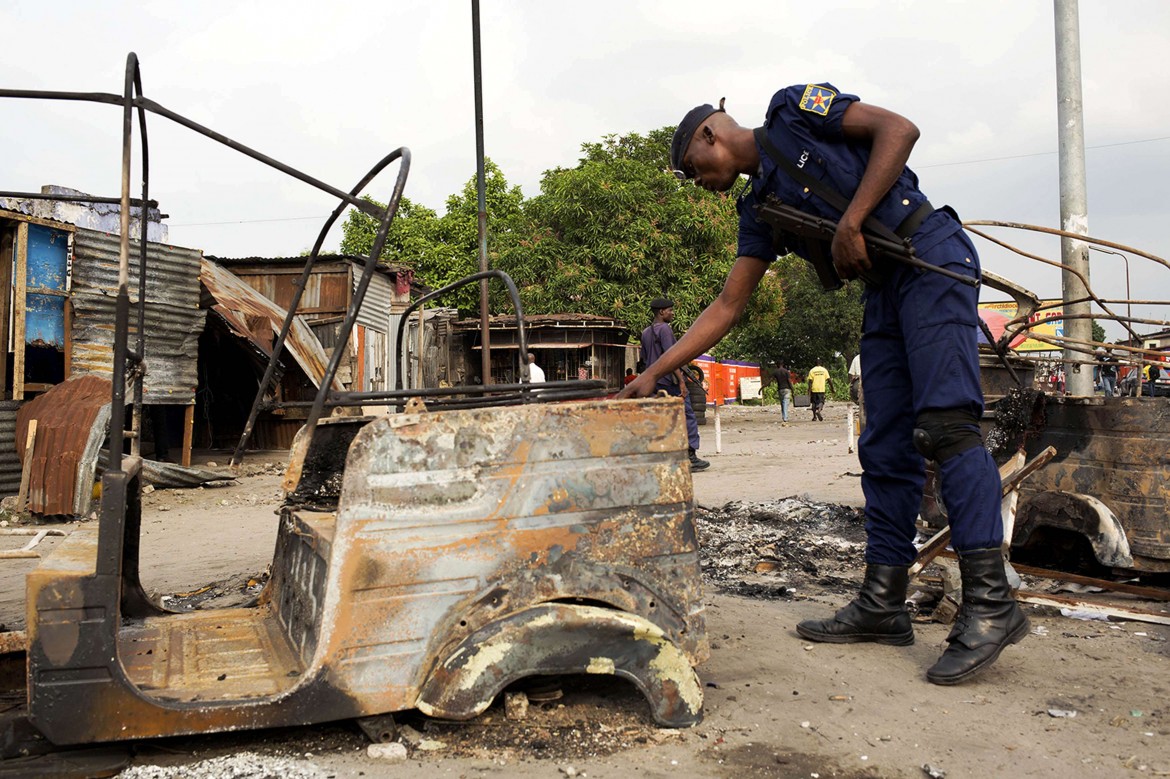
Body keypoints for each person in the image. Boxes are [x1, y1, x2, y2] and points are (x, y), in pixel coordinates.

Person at [619, 83, 1027, 685]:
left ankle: (992, 605)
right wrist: (652, 373)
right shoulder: (757, 209)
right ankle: (883, 601)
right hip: (884, 289)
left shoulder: (793, 113)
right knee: (885, 445)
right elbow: (728, 306)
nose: (693, 180)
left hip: (930, 258)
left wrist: (851, 221)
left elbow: (899, 129)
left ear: (711, 133)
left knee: (946, 427)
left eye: (690, 167)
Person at [639, 297, 710, 471]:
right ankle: (690, 456)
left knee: (662, 418)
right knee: (688, 416)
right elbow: (673, 357)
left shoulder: (645, 332)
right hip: (669, 382)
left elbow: (644, 361)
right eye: (670, 310)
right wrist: (681, 382)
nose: (672, 313)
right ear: (662, 312)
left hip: (654, 383)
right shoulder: (665, 329)